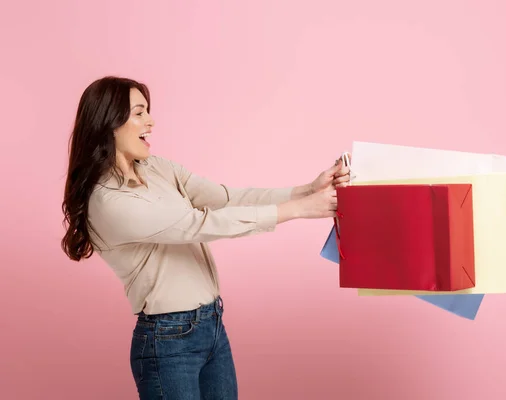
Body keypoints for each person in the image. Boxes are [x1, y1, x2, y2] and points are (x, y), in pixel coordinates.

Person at [60, 76, 351, 399]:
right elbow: (197, 224)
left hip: (211, 325)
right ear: (110, 123)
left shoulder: (156, 168)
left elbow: (224, 198)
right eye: (140, 112)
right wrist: (299, 210)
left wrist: (307, 189)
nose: (151, 122)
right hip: (167, 341)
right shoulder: (108, 202)